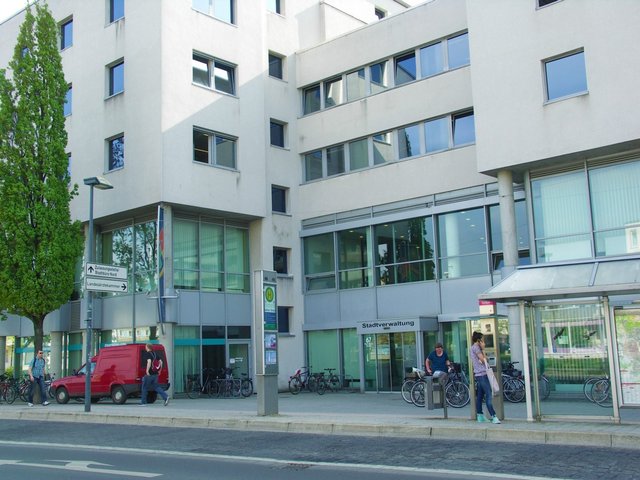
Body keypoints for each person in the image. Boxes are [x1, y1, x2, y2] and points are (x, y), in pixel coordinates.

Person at [470, 331, 500, 424]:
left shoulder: (472, 348)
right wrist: (483, 349)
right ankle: (493, 416)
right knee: (488, 394)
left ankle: (480, 415)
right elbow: (483, 360)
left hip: (478, 375)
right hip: (482, 374)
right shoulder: (477, 348)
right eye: (483, 340)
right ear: (479, 340)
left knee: (480, 396)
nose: (484, 342)